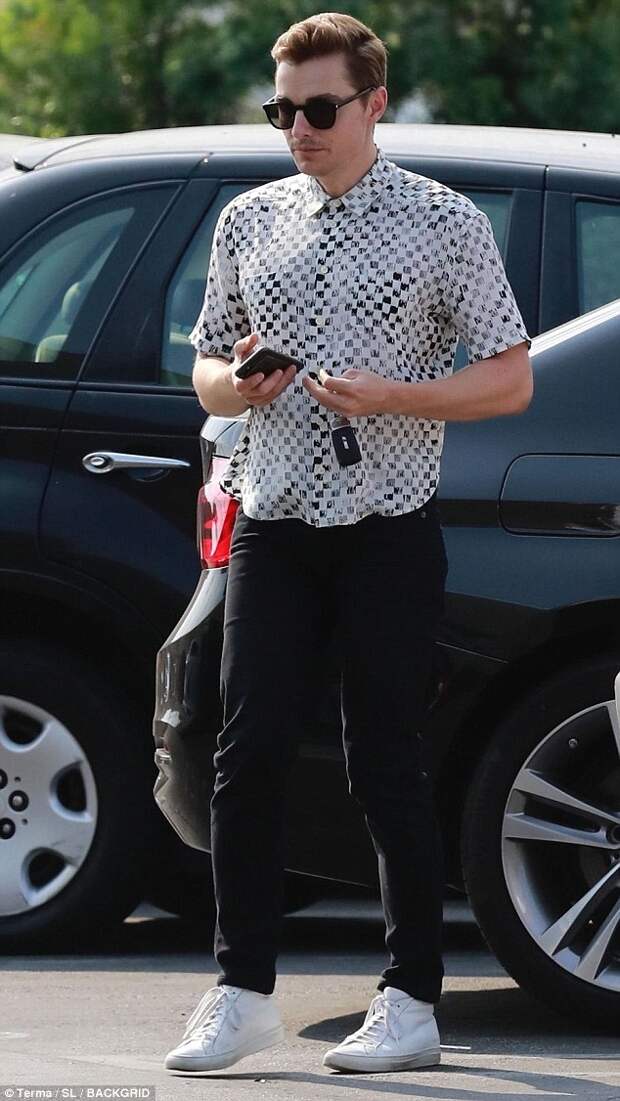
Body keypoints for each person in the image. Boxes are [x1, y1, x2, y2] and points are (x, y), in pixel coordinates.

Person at [164, 10, 533, 1076]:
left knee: (385, 762)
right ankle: (239, 992)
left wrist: (394, 395)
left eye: (318, 108)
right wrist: (242, 384)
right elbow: (202, 372)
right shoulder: (249, 218)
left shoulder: (443, 220)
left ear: (372, 104)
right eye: (282, 109)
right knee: (245, 757)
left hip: (387, 525)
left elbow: (508, 377)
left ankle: (410, 1001)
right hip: (271, 518)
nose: (298, 128)